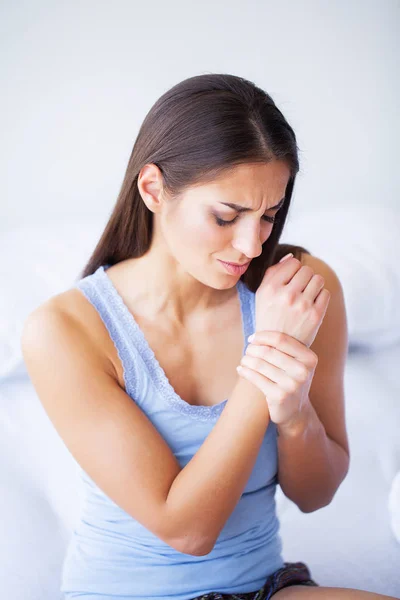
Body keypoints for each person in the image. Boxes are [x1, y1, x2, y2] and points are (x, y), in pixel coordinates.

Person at [21, 73, 397, 600]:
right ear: (153, 189)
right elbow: (188, 530)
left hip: (265, 587)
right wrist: (266, 357)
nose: (250, 243)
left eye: (268, 215)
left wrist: (293, 414)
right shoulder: (65, 330)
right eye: (226, 215)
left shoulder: (298, 292)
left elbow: (316, 494)